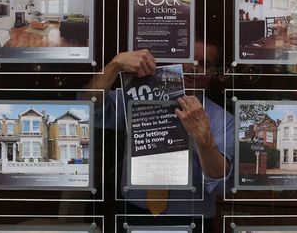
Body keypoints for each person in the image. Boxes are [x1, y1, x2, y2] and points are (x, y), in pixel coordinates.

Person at [82, 39, 234, 232]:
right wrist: (115, 65)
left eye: (204, 64)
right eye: (189, 59)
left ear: (213, 73)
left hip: (191, 222)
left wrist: (203, 139)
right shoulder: (139, 97)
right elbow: (90, 108)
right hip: (133, 215)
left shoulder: (223, 119)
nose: (192, 67)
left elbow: (222, 184)